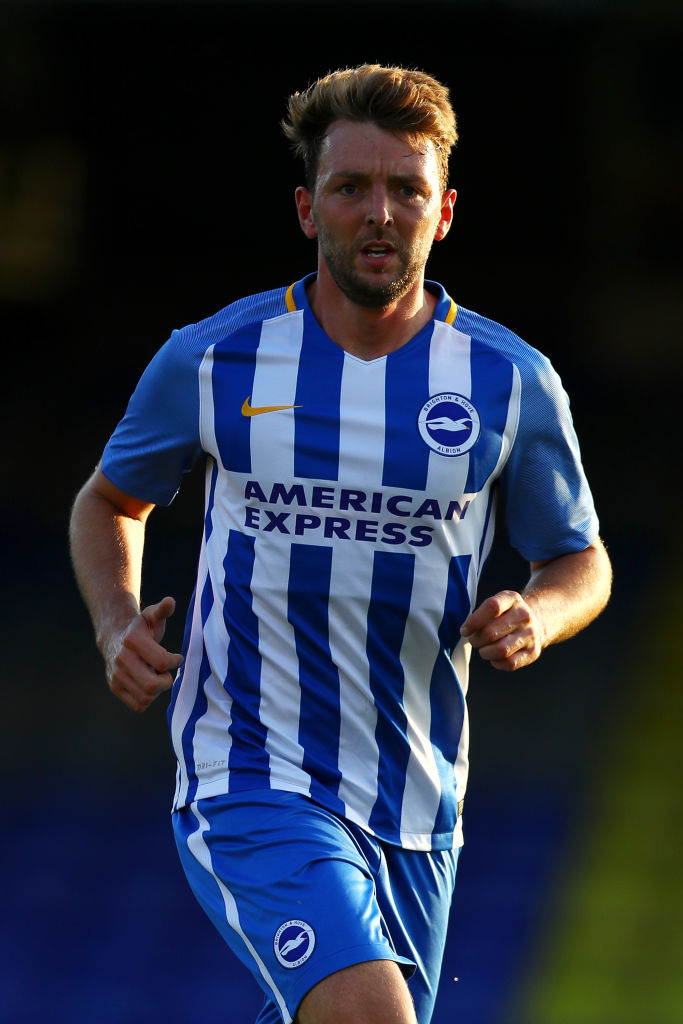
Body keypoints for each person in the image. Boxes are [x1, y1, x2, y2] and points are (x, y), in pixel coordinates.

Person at [69, 64, 612, 1024]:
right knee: (369, 1013)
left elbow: (580, 558)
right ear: (305, 208)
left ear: (443, 212)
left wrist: (540, 611)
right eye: (350, 187)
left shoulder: (508, 380)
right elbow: (110, 501)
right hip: (249, 770)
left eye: (406, 189)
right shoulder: (213, 357)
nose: (378, 212)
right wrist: (116, 622)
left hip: (417, 803)